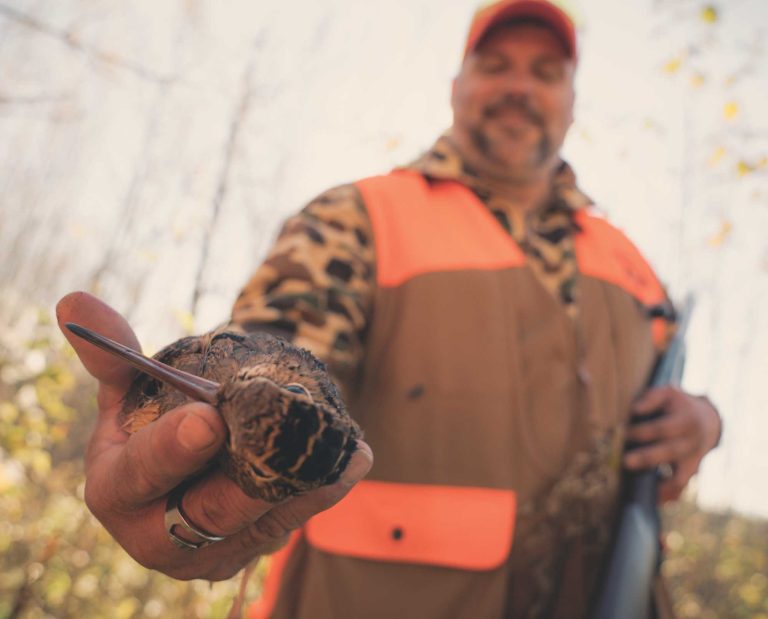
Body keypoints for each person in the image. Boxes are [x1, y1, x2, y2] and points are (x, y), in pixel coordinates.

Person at [57, 1, 722, 617]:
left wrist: (704, 420)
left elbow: (661, 392)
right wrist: (212, 433)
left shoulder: (628, 259)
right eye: (494, 66)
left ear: (572, 102)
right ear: (457, 87)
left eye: (545, 72)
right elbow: (279, 349)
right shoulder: (360, 215)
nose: (519, 86)